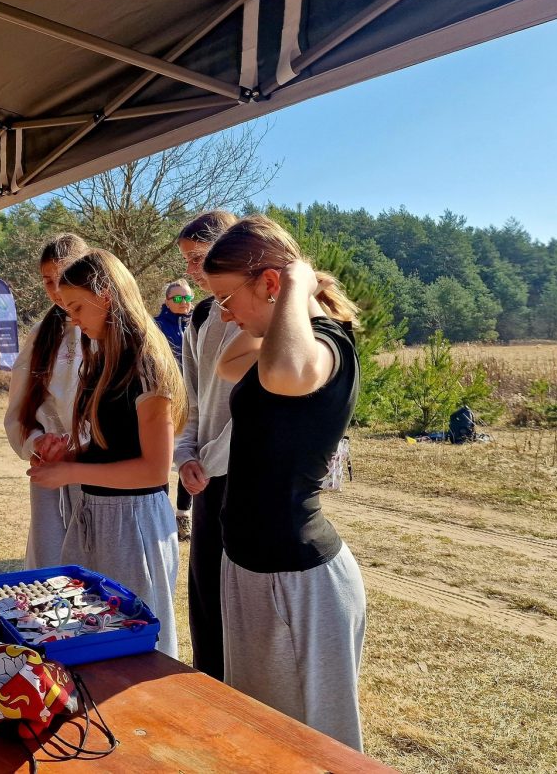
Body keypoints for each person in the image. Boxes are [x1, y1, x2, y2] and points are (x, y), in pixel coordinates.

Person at [203, 214, 367, 751]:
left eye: (227, 298)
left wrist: (297, 281)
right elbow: (227, 366)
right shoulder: (279, 341)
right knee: (258, 735)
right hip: (252, 567)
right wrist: (264, 314)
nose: (224, 313)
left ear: (271, 284)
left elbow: (286, 376)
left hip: (297, 580)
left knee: (318, 746)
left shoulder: (325, 345)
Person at [28, 249, 186, 658]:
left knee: (137, 647)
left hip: (134, 527)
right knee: (87, 635)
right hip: (97, 515)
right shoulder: (103, 359)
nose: (74, 319)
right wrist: (69, 455)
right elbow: (111, 443)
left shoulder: (147, 364)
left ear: (107, 297)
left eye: (78, 307)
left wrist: (70, 474)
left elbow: (153, 470)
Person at [171, 210, 259, 681]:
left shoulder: (260, 317)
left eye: (198, 258)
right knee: (205, 596)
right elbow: (192, 399)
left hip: (246, 478)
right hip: (205, 479)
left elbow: (255, 409)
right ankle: (208, 685)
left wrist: (207, 459)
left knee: (241, 602)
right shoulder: (201, 314)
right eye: (187, 261)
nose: (191, 271)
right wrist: (185, 456)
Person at [3, 234, 88, 567]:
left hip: (93, 466)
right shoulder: (42, 333)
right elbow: (19, 409)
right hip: (50, 464)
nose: (56, 290)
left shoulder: (108, 330)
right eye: (48, 281)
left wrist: (81, 446)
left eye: (64, 278)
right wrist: (39, 443)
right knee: (49, 557)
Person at [155, 278, 195, 540]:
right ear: (167, 301)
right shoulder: (155, 326)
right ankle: (159, 514)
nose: (184, 303)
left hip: (192, 403)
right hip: (163, 402)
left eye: (187, 298)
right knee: (160, 458)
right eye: (178, 298)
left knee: (187, 457)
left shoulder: (198, 324)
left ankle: (183, 516)